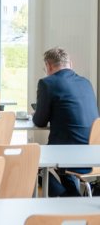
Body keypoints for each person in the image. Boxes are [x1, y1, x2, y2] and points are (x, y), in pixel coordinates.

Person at [33, 47, 100, 197]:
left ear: (48, 66)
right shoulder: (86, 83)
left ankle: (70, 198)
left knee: (33, 162)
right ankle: (73, 197)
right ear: (71, 64)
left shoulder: (47, 83)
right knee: (62, 168)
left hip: (68, 152)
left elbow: (40, 121)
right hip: (93, 152)